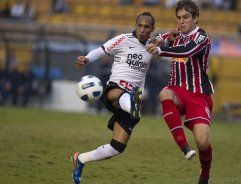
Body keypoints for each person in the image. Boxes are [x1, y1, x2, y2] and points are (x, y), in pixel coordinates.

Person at [71, 12, 155, 184]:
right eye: (139, 25)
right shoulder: (123, 39)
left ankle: (80, 159)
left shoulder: (153, 48)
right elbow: (101, 50)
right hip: (115, 89)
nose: (142, 29)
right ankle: (133, 104)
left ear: (152, 29)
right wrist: (87, 58)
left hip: (132, 99)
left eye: (146, 27)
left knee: (117, 147)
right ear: (135, 25)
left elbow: (169, 45)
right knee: (122, 94)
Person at [146, 1, 214, 184]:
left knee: (203, 141)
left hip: (198, 94)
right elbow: (158, 38)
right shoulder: (175, 35)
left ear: (195, 18)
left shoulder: (201, 37)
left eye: (186, 17)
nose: (182, 21)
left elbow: (187, 51)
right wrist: (158, 40)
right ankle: (184, 146)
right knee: (164, 94)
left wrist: (161, 48)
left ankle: (205, 174)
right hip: (177, 89)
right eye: (179, 17)